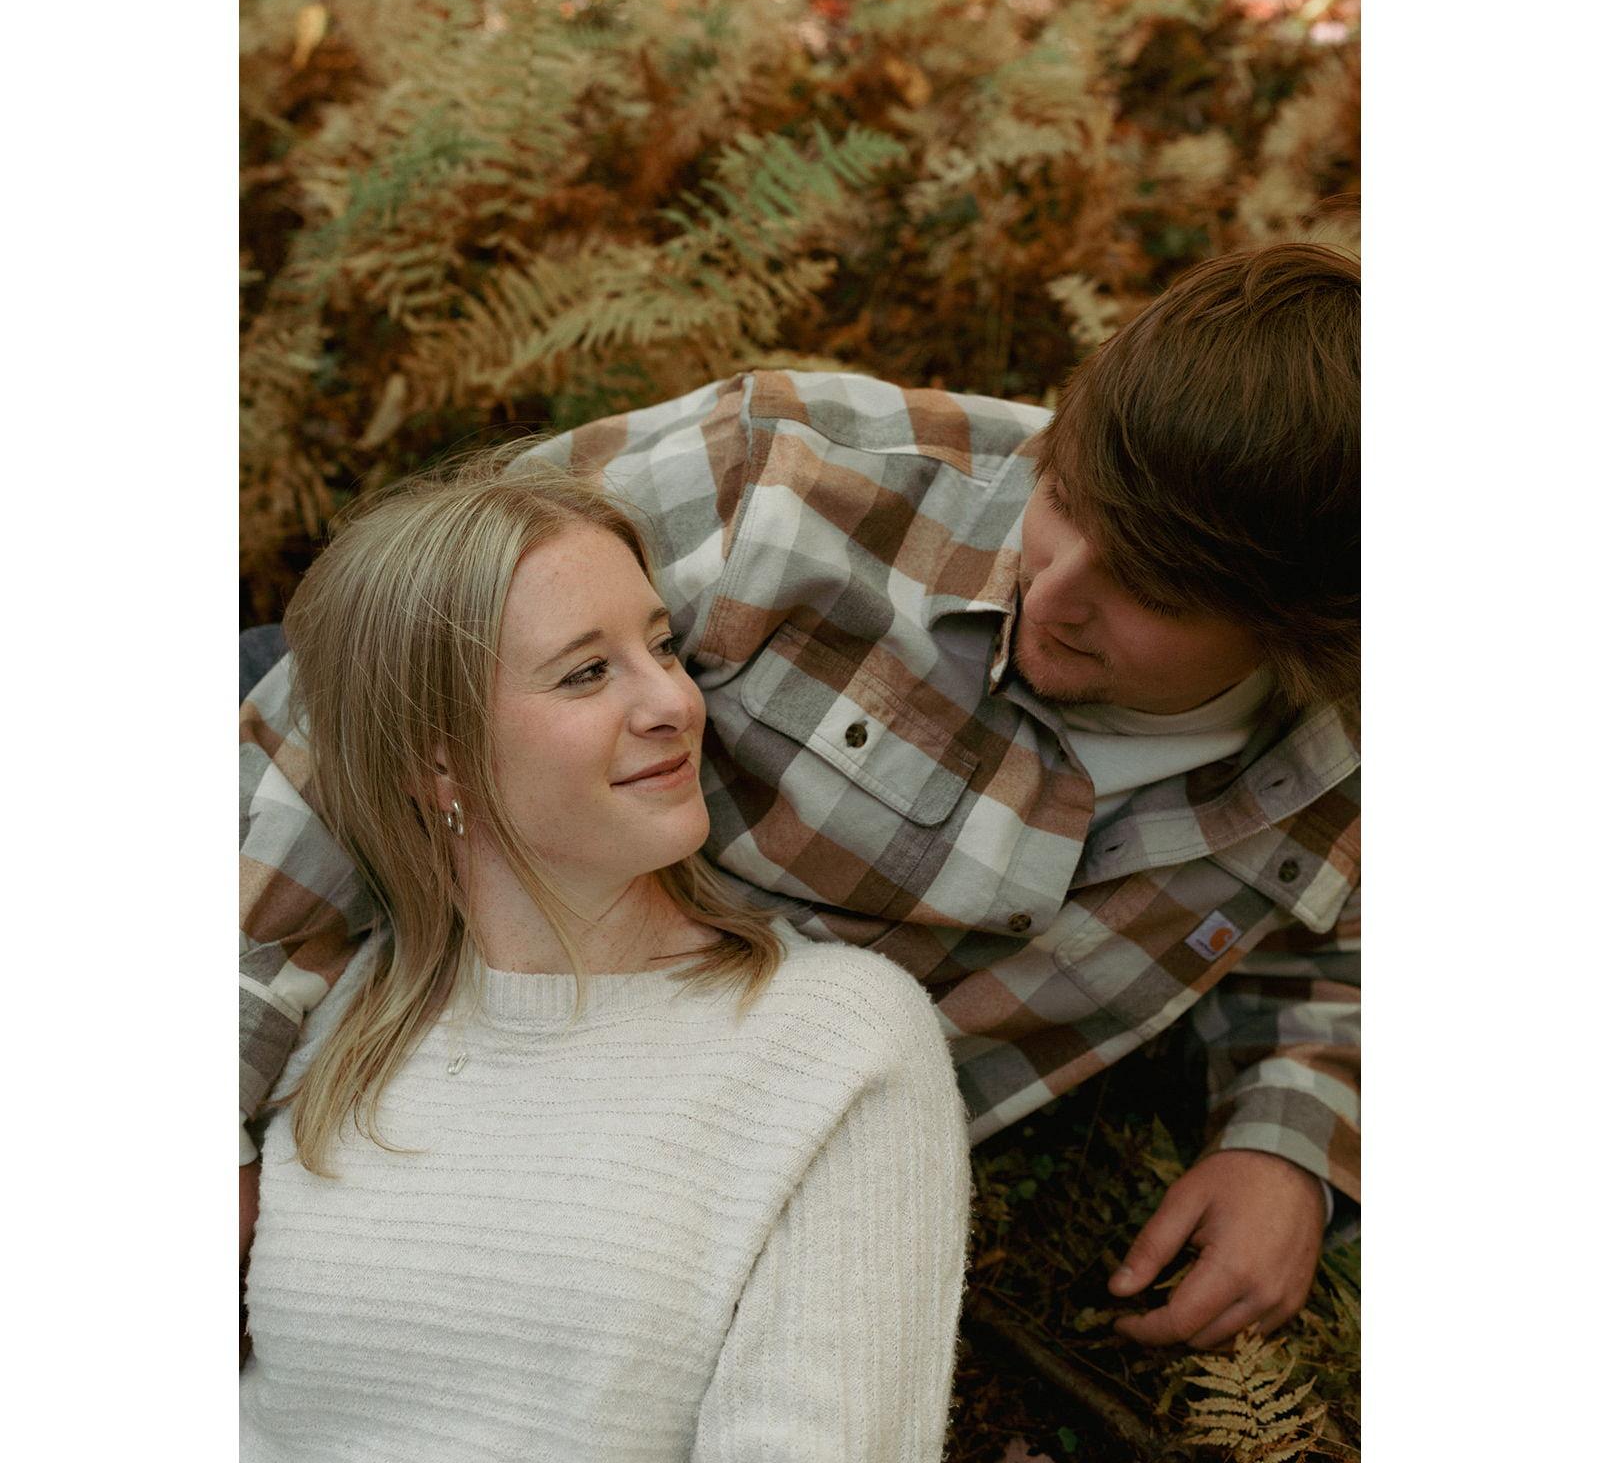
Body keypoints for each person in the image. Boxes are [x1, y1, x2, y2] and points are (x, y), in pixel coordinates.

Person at [243, 240, 1359, 1354]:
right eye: (1061, 498)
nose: (1053, 589)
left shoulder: (1358, 754)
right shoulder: (780, 478)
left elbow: (1334, 951)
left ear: (1306, 634)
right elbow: (342, 713)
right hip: (403, 980)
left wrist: (1290, 1140)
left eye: (1149, 589)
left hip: (672, 1191)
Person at [238, 453, 971, 1461]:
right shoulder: (341, 1016)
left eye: (663, 647)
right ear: (434, 758)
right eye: (588, 671)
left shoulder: (837, 1043)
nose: (675, 701)